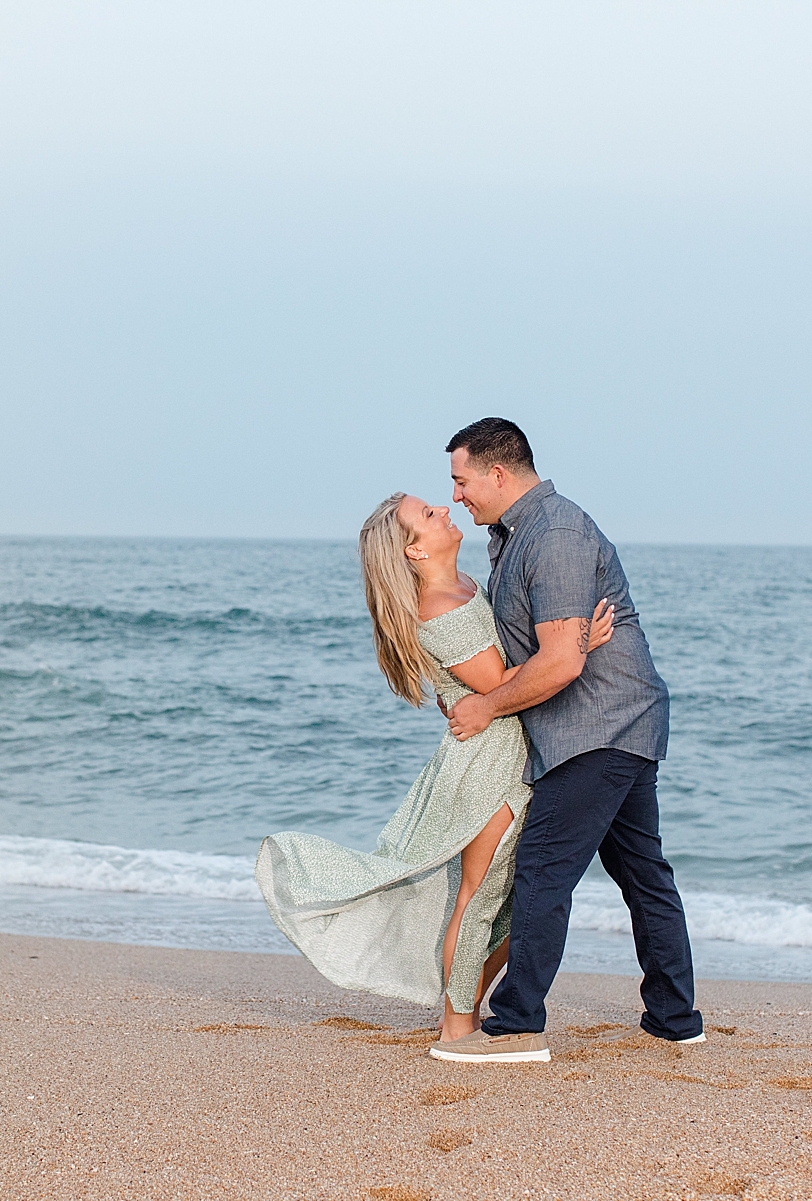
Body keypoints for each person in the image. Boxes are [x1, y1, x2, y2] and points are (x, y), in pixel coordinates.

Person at [255, 493, 614, 1039]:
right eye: (428, 515)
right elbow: (500, 687)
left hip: (512, 751)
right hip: (488, 762)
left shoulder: (464, 585)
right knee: (483, 893)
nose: (445, 511)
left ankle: (461, 1006)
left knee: (517, 900)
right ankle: (457, 1025)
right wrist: (575, 644)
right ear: (415, 550)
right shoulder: (440, 605)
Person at [429, 417, 704, 1064]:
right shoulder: (520, 533)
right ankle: (675, 1017)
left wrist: (483, 707)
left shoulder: (553, 534)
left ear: (498, 473)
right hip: (616, 721)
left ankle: (517, 1026)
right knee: (641, 872)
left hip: (596, 728)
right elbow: (546, 647)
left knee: (543, 872)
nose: (458, 495)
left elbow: (561, 664)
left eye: (462, 480)